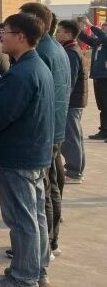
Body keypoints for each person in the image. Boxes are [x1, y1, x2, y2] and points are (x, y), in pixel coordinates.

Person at [0, 13, 54, 287]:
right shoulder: (36, 66)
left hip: (19, 155)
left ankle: (24, 279)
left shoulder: (22, 73)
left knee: (22, 219)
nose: (1, 37)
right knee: (35, 215)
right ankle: (37, 269)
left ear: (21, 37)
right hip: (34, 152)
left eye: (6, 32)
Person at [20, 3, 69, 256]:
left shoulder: (42, 53)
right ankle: (50, 240)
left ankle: (46, 244)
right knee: (52, 185)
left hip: (45, 131)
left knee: (45, 190)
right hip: (55, 127)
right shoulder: (56, 48)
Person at [56, 20, 88, 183]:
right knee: (75, 136)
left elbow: (69, 80)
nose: (56, 33)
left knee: (70, 137)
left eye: (59, 31)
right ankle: (76, 169)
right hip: (75, 100)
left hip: (71, 102)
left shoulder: (71, 53)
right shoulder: (71, 50)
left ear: (68, 34)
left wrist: (63, 101)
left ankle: (74, 172)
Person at [76, 15, 107, 140]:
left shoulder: (104, 39)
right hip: (98, 76)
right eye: (103, 25)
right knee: (102, 105)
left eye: (105, 25)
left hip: (105, 77)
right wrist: (79, 27)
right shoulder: (99, 41)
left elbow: (103, 37)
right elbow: (86, 39)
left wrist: (90, 25)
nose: (103, 26)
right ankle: (104, 130)